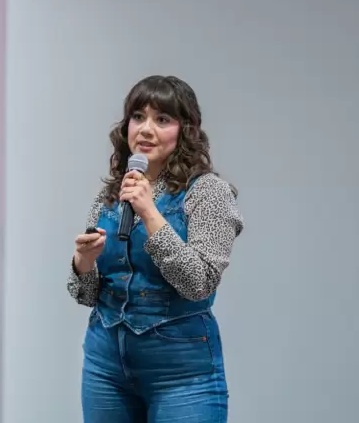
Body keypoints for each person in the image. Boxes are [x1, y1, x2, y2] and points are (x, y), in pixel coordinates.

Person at [67, 75, 244, 422]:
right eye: (138, 117)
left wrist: (149, 213)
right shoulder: (112, 194)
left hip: (181, 373)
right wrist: (82, 262)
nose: (146, 129)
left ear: (185, 130)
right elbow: (86, 295)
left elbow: (199, 283)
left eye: (162, 119)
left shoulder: (209, 193)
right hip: (106, 366)